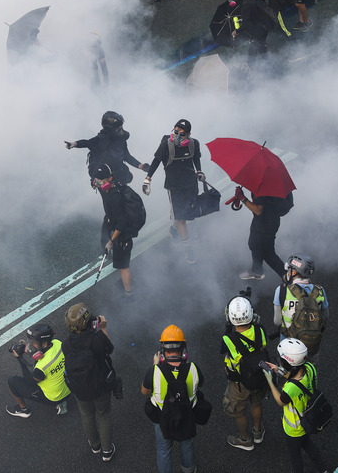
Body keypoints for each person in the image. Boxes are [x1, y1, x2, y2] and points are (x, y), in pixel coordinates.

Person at [141, 325, 205, 473]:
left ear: (163, 348)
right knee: (187, 444)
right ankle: (188, 470)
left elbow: (144, 391)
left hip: (163, 417)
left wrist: (155, 366)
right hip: (187, 415)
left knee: (164, 450)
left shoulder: (154, 370)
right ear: (183, 348)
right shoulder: (193, 368)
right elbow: (201, 383)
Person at [142, 119, 205, 264]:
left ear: (189, 134)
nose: (177, 136)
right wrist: (148, 179)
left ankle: (174, 229)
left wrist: (200, 171)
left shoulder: (194, 144)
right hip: (174, 186)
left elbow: (196, 158)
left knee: (188, 214)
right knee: (182, 218)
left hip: (190, 184)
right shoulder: (166, 144)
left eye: (182, 134)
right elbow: (156, 161)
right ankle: (188, 248)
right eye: (176, 132)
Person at [262, 338, 329, 473]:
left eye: (282, 360)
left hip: (294, 427)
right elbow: (296, 376)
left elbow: (281, 401)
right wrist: (279, 370)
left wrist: (270, 381)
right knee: (307, 444)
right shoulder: (310, 368)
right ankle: (323, 470)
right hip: (308, 419)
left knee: (295, 455)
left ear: (287, 363)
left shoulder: (290, 388)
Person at [64, 303, 117, 461]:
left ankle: (95, 445)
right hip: (99, 385)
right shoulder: (96, 339)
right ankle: (107, 451)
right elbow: (110, 349)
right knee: (104, 414)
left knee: (87, 415)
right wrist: (103, 328)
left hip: (79, 387)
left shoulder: (66, 343)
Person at [220, 296, 268, 451]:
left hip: (239, 383)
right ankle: (258, 432)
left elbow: (222, 349)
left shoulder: (228, 339)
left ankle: (245, 440)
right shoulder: (260, 330)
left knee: (239, 411)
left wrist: (228, 327)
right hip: (259, 376)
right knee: (256, 403)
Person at [92, 163, 143, 297]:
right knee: (122, 263)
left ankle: (129, 295)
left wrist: (111, 241)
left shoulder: (115, 197)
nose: (97, 182)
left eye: (100, 179)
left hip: (122, 236)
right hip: (115, 228)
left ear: (109, 179)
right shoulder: (111, 189)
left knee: (123, 267)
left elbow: (121, 223)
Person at [6, 323, 73, 417]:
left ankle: (23, 410)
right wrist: (27, 346)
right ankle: (62, 402)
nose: (30, 345)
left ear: (44, 343)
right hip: (69, 389)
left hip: (54, 398)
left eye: (33, 343)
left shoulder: (41, 367)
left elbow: (30, 382)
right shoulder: (58, 343)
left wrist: (20, 358)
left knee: (12, 381)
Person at [65, 110, 149, 186]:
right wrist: (74, 144)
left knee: (127, 175)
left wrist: (141, 166)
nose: (120, 130)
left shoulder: (121, 140)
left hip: (114, 169)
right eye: (117, 128)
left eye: (121, 127)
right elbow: (87, 142)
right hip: (100, 168)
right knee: (105, 168)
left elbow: (127, 156)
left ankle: (113, 182)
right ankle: (97, 181)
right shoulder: (101, 139)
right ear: (110, 129)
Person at [272, 254, 328, 359]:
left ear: (294, 272)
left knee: (286, 373)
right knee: (310, 372)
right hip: (311, 345)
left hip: (287, 346)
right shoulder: (320, 291)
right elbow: (325, 316)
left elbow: (277, 321)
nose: (287, 272)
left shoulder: (282, 290)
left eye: (289, 269)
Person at [232, 185, 291, 281]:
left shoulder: (261, 188)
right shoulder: (268, 184)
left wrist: (243, 198)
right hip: (273, 221)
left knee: (255, 245)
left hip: (263, 224)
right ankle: (287, 277)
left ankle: (257, 272)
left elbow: (258, 210)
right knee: (268, 252)